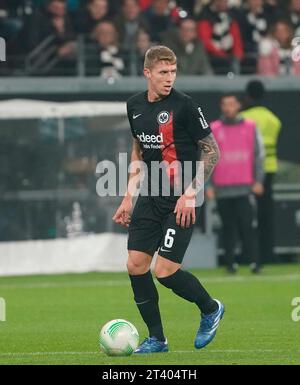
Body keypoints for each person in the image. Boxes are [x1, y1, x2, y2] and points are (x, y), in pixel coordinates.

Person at [112, 45, 224, 354]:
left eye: (173, 72)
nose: (169, 78)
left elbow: (212, 150)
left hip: (180, 200)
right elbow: (139, 149)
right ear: (147, 73)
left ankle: (210, 307)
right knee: (136, 265)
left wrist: (191, 193)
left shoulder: (185, 106)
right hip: (151, 196)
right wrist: (127, 198)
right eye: (163, 72)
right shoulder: (134, 105)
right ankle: (157, 340)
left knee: (164, 272)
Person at [206, 93, 264, 274]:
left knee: (248, 226)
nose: (229, 108)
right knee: (227, 227)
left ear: (238, 105)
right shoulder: (214, 128)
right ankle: (230, 264)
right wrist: (208, 185)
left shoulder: (250, 127)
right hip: (222, 188)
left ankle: (255, 263)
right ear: (222, 107)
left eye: (232, 104)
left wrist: (258, 181)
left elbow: (259, 155)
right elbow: (207, 157)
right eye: (225, 104)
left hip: (245, 187)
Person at [241, 80, 282, 264]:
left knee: (245, 215)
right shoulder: (273, 119)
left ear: (248, 95)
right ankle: (268, 254)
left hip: (247, 172)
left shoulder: (244, 119)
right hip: (270, 169)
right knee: (266, 214)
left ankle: (248, 254)